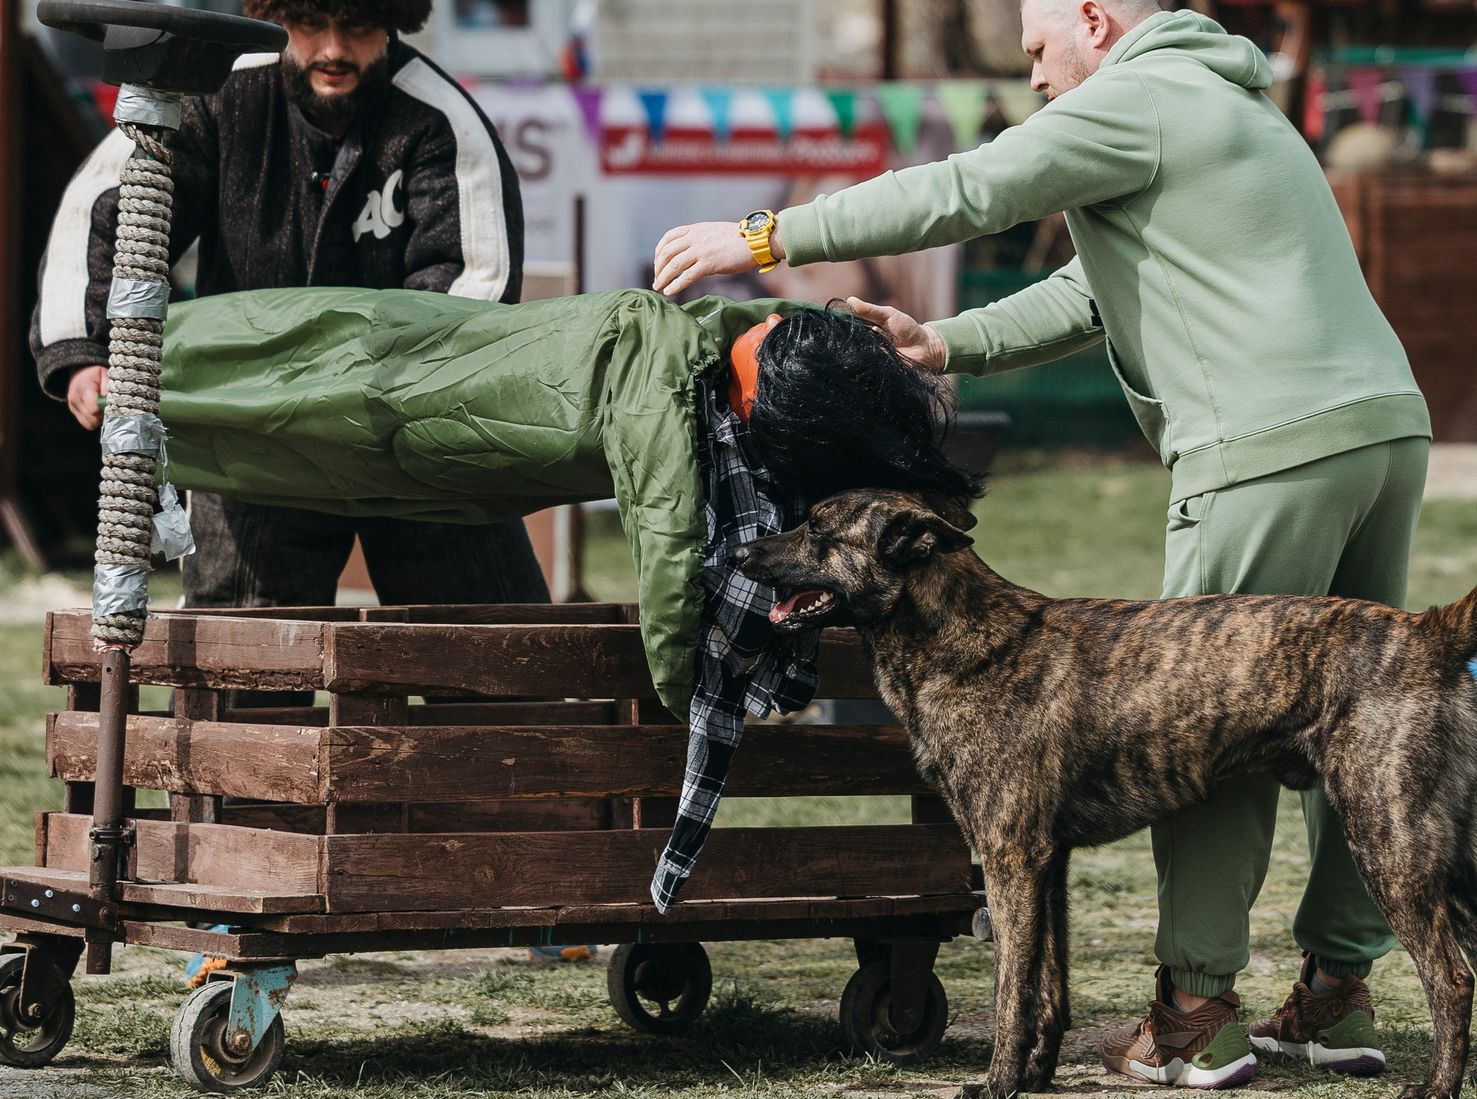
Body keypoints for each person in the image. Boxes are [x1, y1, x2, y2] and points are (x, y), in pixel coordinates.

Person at [650, 0, 1431, 1092]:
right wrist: (944, 342)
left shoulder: (1139, 95)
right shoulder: (1227, 101)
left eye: (1036, 52)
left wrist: (767, 239)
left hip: (1263, 449)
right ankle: (1332, 988)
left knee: (1212, 729)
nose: (1034, 81)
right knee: (1360, 713)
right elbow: (1090, 291)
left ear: (1095, 23)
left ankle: (1192, 1013)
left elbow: (971, 187)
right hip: (1382, 430)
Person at [149, 288, 980, 899]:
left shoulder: (730, 334)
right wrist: (676, 686)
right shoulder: (660, 391)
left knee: (293, 382)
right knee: (289, 398)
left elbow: (799, 331)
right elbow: (669, 552)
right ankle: (150, 370)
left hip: (426, 394)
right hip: (402, 402)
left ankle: (156, 370)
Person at [30, 0, 547, 611]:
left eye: (358, 25)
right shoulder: (214, 96)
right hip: (255, 439)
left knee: (489, 655)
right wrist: (83, 351)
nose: (332, 49)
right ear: (277, 9)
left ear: (395, 18)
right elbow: (109, 208)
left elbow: (475, 296)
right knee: (239, 675)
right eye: (310, 22)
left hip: (412, 432)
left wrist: (372, 399)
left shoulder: (442, 125)